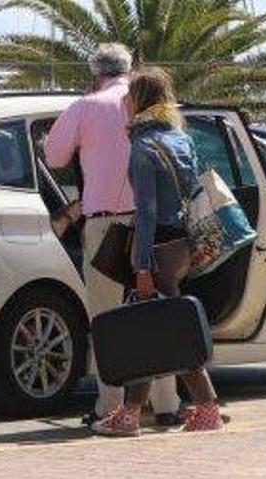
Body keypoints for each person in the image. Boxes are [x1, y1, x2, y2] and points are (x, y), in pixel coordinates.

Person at [43, 44, 181, 431]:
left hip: (104, 225)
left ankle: (111, 407)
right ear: (131, 68)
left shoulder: (85, 107)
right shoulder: (154, 106)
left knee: (106, 320)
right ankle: (167, 404)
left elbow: (53, 157)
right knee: (156, 315)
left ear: (94, 72)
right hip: (153, 224)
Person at [95, 67, 224, 436]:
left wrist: (141, 265)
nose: (124, 101)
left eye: (129, 95)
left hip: (157, 247)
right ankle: (132, 413)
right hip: (181, 242)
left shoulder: (143, 145)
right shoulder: (180, 138)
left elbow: (147, 209)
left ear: (139, 100)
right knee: (154, 329)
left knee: (166, 331)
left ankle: (205, 408)